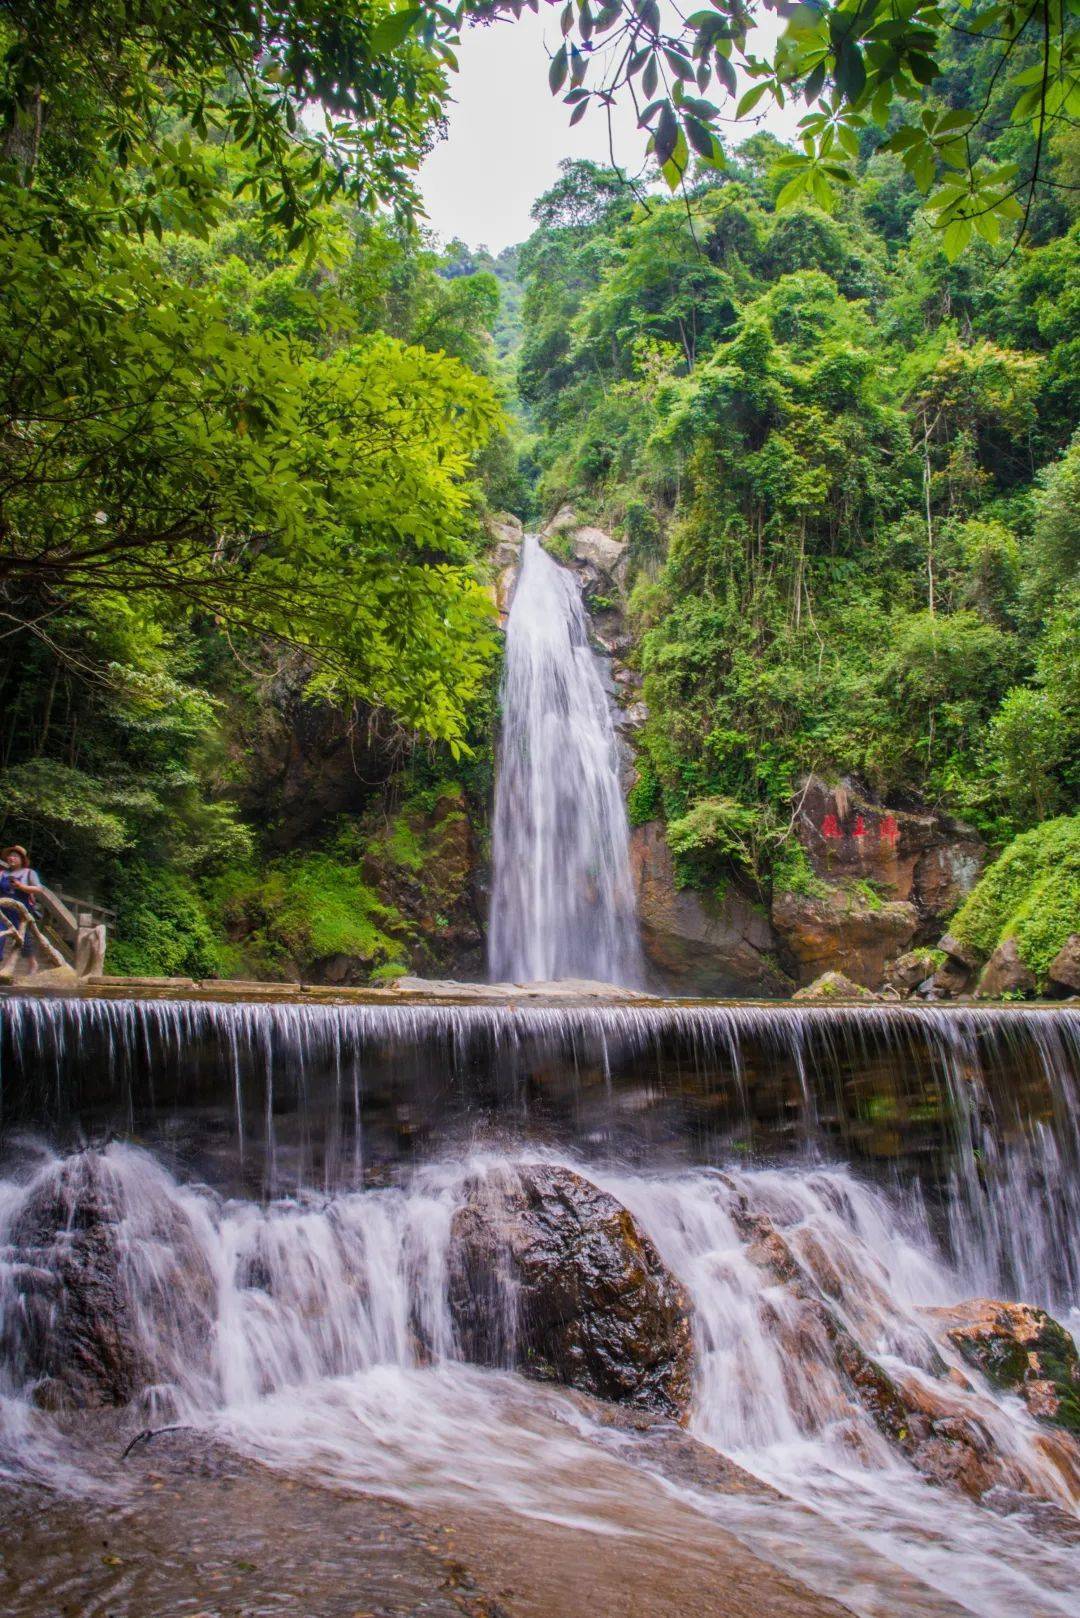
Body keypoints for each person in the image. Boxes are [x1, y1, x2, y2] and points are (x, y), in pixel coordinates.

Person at [0, 845, 43, 973]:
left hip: (21, 912)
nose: (11, 858)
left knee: (24, 940)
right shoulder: (2, 873)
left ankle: (33, 964)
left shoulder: (29, 873)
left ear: (22, 859)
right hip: (3, 911)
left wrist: (21, 886)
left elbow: (38, 889)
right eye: (10, 855)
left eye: (15, 856)